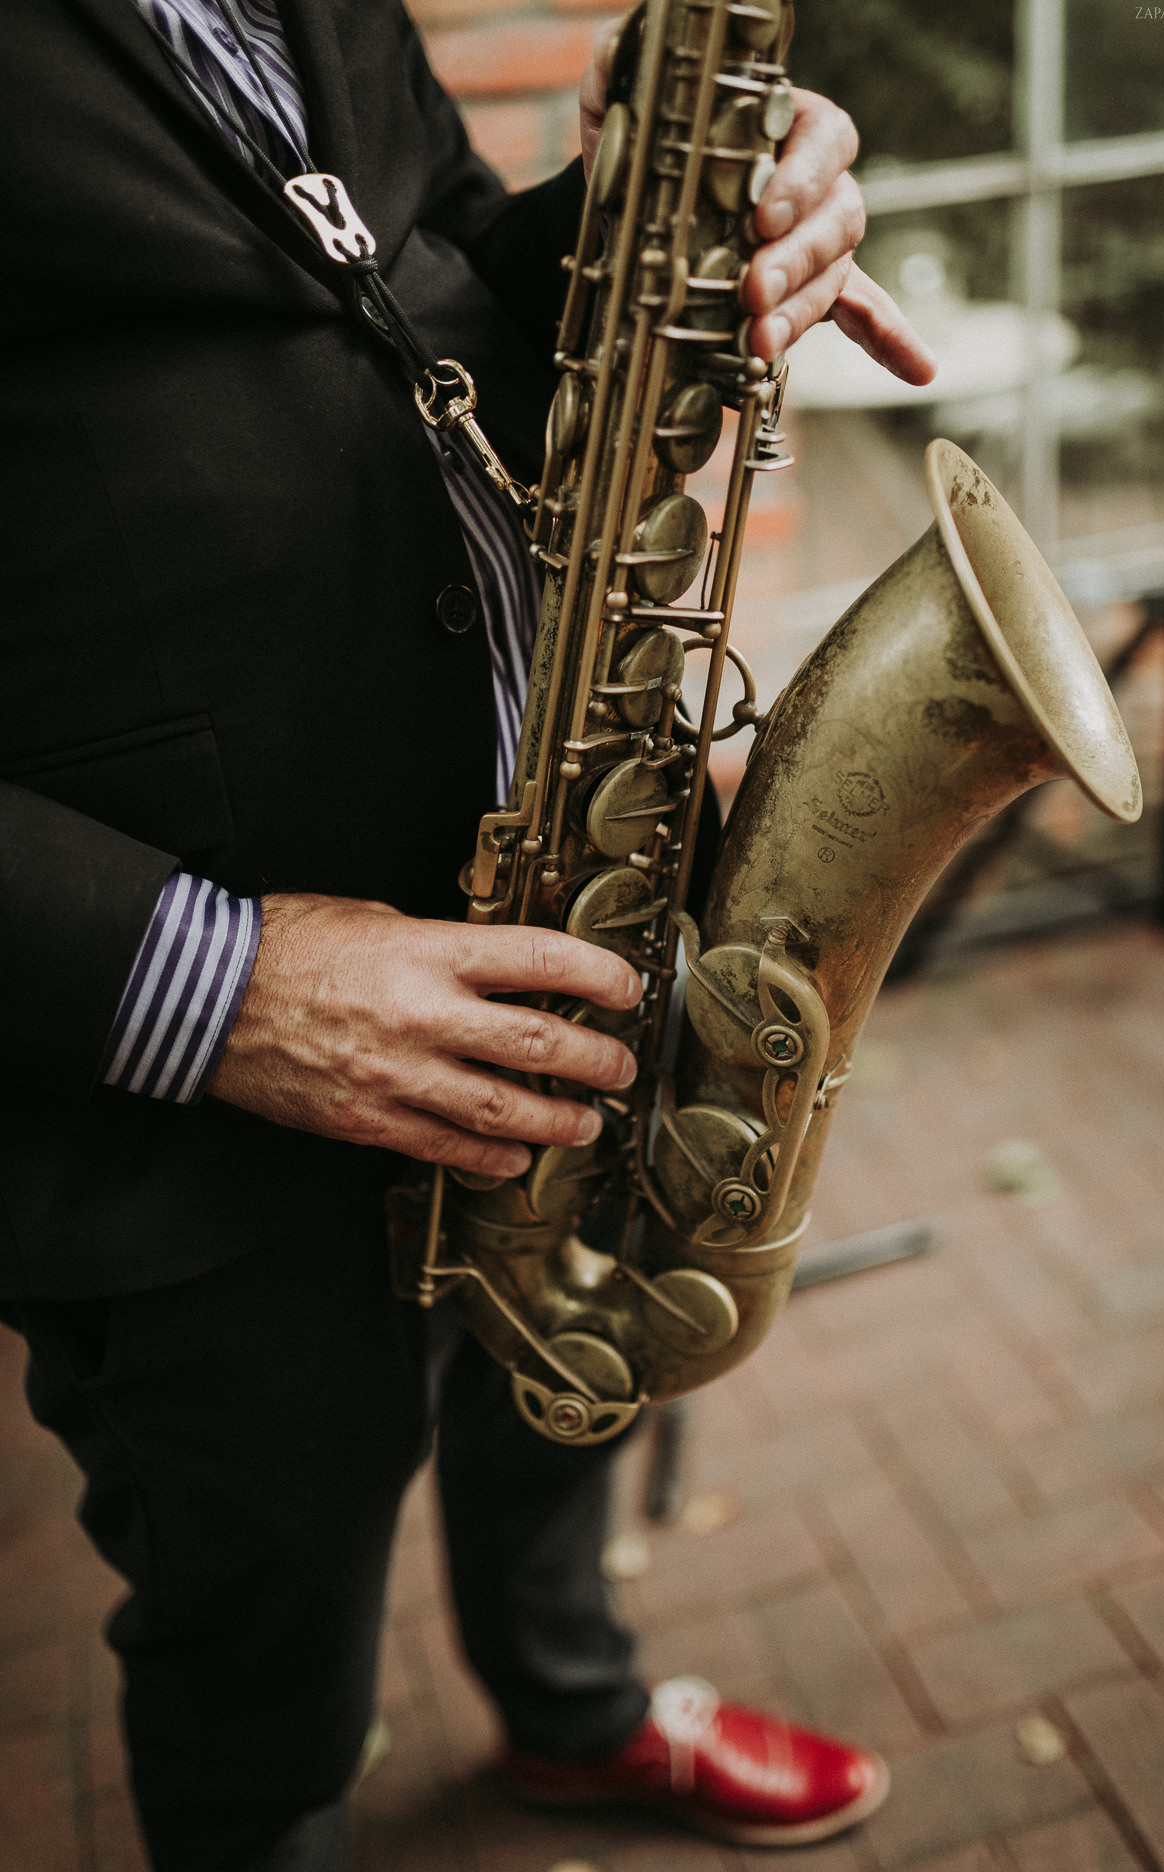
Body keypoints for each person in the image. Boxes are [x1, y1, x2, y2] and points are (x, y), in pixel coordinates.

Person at [0, 2, 934, 1867]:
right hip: (198, 1074)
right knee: (260, 1622)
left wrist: (667, 216)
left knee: (574, 1362)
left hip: (541, 903)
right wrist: (225, 986)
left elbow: (407, 270)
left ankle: (572, 1710)